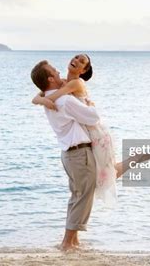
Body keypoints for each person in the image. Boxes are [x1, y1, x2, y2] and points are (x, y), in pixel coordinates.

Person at [32, 54, 120, 206]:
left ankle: (138, 159)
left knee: (105, 170)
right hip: (86, 127)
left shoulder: (76, 83)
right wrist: (41, 100)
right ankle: (138, 159)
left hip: (95, 129)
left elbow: (55, 96)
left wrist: (45, 100)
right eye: (76, 57)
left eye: (82, 62)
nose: (76, 60)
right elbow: (36, 97)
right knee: (103, 171)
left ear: (83, 71)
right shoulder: (64, 83)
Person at [30, 59, 99, 251]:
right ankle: (68, 242)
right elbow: (93, 117)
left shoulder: (48, 97)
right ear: (51, 78)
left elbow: (38, 97)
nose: (59, 71)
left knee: (77, 196)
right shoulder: (64, 100)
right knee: (84, 196)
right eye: (54, 70)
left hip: (70, 154)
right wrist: (91, 104)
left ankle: (72, 241)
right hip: (79, 154)